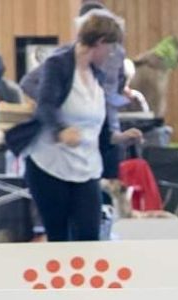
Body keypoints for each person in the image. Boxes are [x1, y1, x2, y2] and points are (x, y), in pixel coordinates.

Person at [5, 10, 141, 242]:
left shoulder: (97, 74)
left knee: (89, 235)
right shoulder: (58, 65)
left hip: (86, 168)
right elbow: (45, 107)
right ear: (99, 43)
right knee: (60, 237)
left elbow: (97, 126)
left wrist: (120, 137)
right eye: (111, 48)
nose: (111, 54)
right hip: (50, 166)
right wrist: (61, 130)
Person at [20, 1, 128, 180]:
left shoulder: (107, 62)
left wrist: (116, 135)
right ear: (100, 39)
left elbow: (118, 85)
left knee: (107, 200)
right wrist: (60, 118)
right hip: (58, 155)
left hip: (99, 141)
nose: (112, 53)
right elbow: (31, 87)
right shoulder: (61, 61)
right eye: (110, 47)